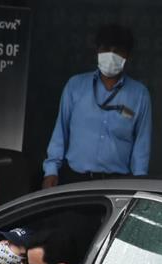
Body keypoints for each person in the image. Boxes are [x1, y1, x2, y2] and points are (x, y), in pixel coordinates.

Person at [42, 24, 151, 188]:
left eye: (118, 50)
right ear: (97, 51)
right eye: (106, 49)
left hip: (117, 183)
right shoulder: (75, 86)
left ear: (127, 55)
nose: (111, 55)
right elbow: (60, 132)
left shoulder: (139, 94)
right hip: (75, 179)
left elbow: (141, 146)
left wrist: (140, 183)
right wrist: (51, 170)